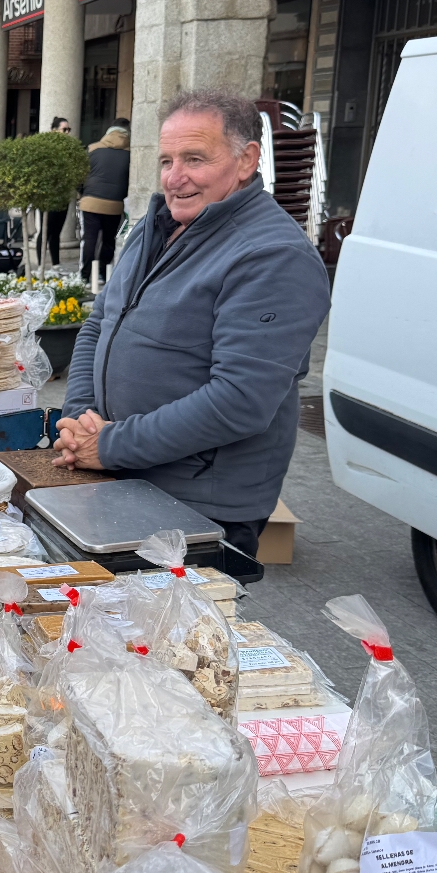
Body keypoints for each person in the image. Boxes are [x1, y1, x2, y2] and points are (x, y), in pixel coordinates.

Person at [53, 90, 331, 558]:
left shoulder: (273, 256)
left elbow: (240, 400)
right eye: (166, 160)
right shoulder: (154, 224)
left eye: (195, 159)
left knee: (170, 628)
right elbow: (100, 322)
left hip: (199, 504)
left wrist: (111, 445)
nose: (175, 178)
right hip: (118, 467)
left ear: (246, 160)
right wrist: (81, 420)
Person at [79, 117, 130, 283]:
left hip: (90, 201)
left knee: (90, 239)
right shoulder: (130, 154)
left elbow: (80, 176)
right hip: (114, 204)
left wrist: (83, 193)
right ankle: (102, 274)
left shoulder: (92, 149)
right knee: (109, 240)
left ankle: (85, 275)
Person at [43, 121, 74, 268]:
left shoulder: (69, 149)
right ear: (54, 130)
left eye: (69, 129)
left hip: (63, 194)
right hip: (48, 196)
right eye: (64, 129)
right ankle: (42, 264)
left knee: (56, 232)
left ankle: (56, 264)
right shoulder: (46, 147)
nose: (67, 132)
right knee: (46, 231)